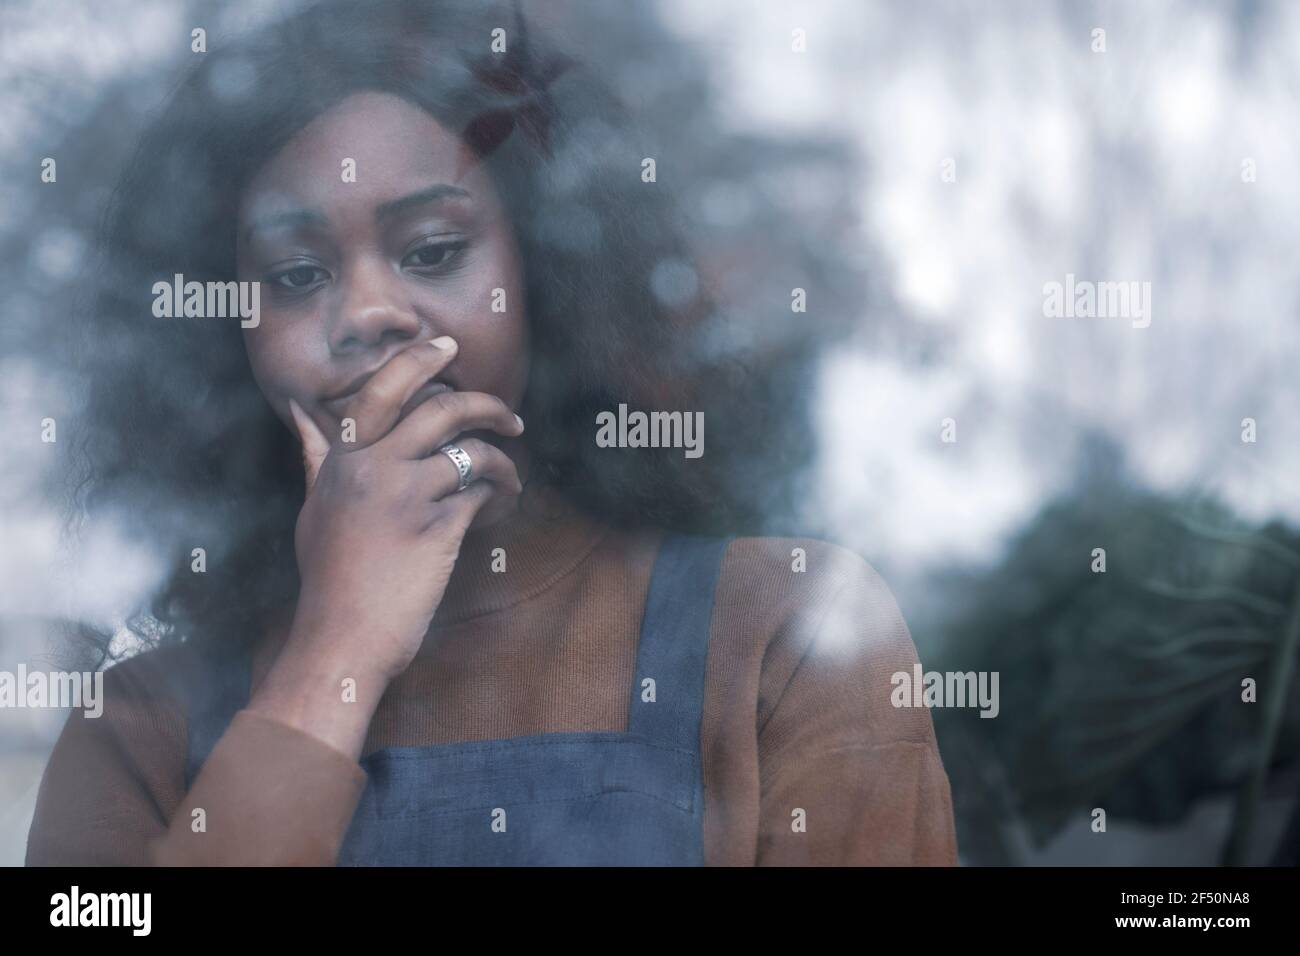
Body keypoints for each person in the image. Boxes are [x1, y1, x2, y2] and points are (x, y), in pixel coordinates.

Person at [27, 0, 957, 866]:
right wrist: (334, 652)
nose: (370, 313)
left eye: (432, 250)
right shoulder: (138, 726)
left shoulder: (785, 631)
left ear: (546, 273)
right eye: (297, 275)